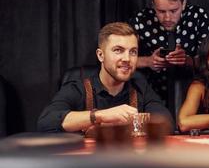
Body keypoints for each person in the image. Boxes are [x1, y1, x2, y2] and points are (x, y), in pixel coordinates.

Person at [38, 22, 173, 133]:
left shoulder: (141, 87)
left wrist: (116, 126)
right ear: (100, 55)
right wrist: (100, 116)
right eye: (118, 50)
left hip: (131, 163)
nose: (127, 58)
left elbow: (167, 122)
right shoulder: (78, 88)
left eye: (133, 52)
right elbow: (46, 121)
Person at [129, 0, 209, 119]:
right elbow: (121, 59)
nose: (167, 17)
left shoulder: (197, 16)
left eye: (174, 11)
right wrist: (148, 61)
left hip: (192, 90)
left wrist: (187, 60)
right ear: (153, 5)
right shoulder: (141, 20)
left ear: (183, 4)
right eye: (161, 11)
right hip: (151, 93)